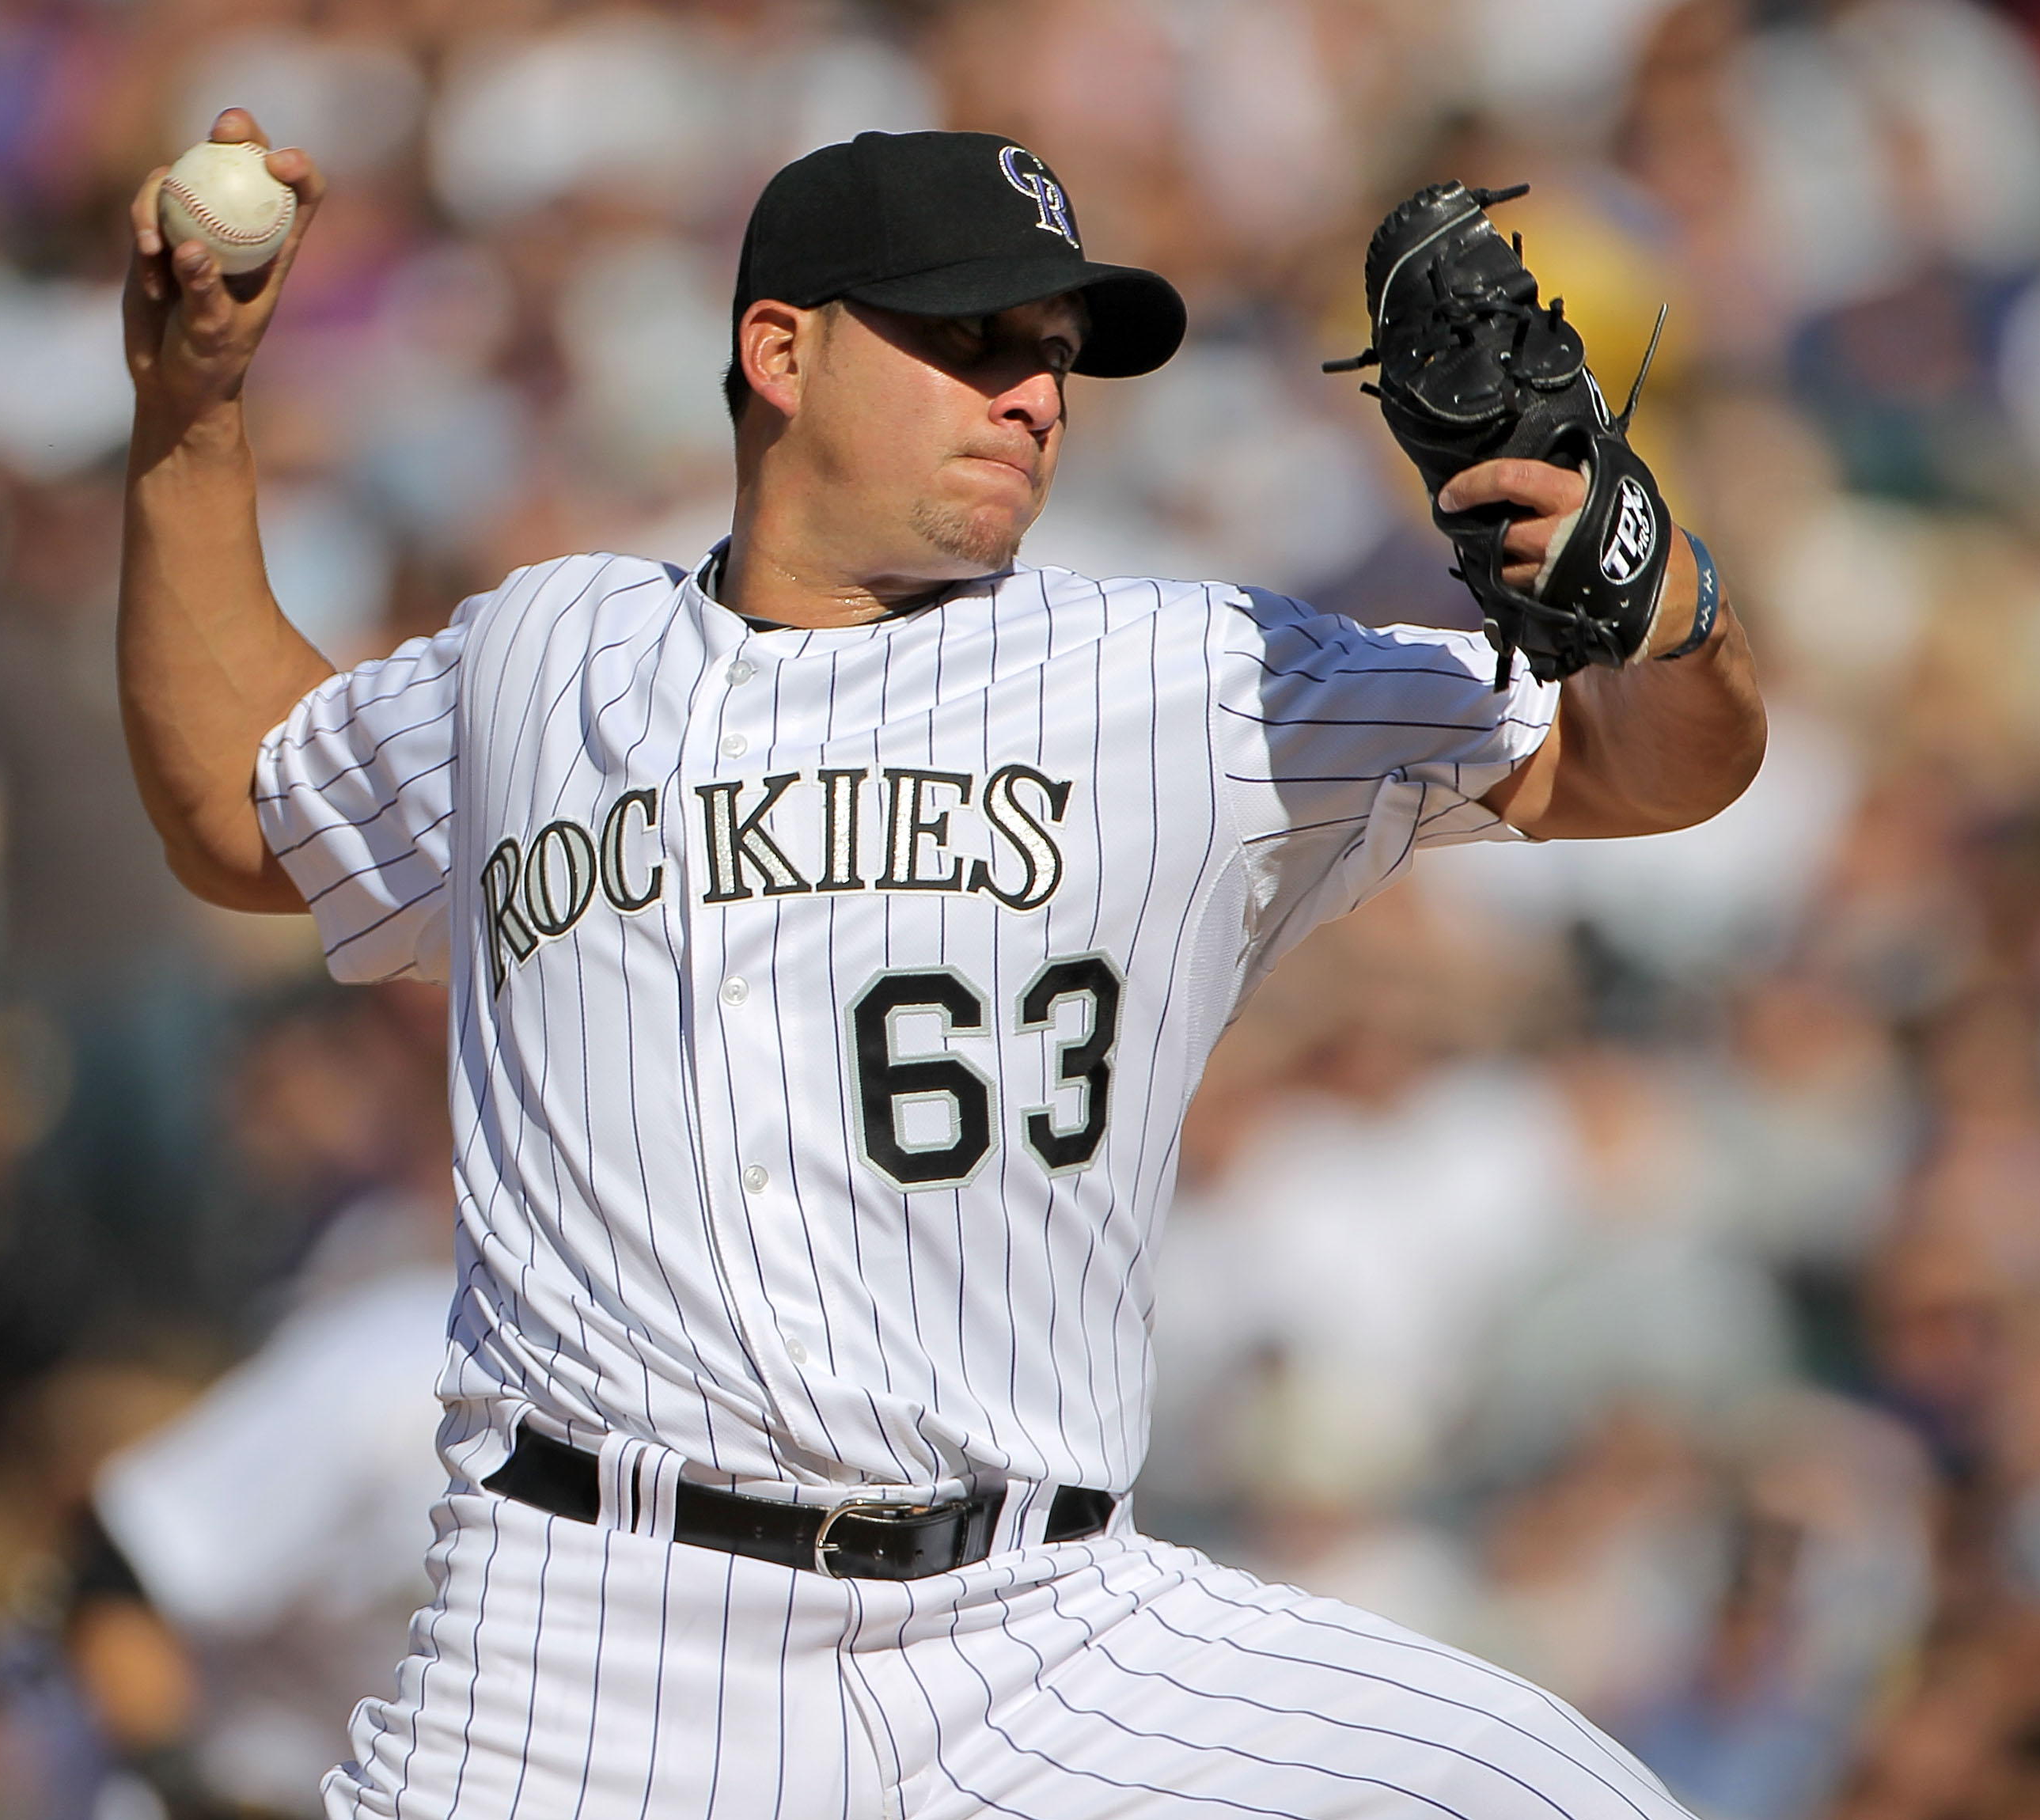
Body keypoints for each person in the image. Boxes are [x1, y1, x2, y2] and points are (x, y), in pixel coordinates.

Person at [119, 109, 1764, 1820]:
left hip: (1044, 1632)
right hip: (582, 1651)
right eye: (971, 337)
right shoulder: (544, 655)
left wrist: (1663, 609)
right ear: (780, 350)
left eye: (1055, 354)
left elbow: (1644, 768)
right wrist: (190, 409)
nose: (1034, 392)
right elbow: (238, 809)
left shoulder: (1180, 675)